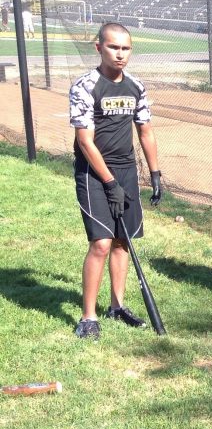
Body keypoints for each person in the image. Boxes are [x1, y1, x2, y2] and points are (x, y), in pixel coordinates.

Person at [70, 22, 160, 339]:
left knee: (123, 240)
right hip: (94, 172)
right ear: (99, 48)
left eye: (125, 48)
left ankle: (117, 306)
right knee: (101, 243)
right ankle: (88, 317)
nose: (120, 54)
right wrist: (109, 183)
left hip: (127, 170)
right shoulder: (85, 86)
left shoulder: (136, 87)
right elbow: (85, 141)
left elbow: (145, 131)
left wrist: (155, 173)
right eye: (113, 47)